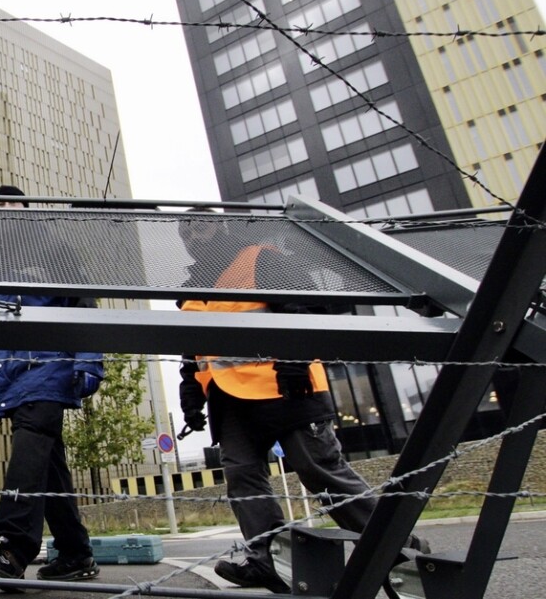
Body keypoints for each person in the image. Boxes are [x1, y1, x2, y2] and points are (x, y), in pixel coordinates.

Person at [175, 209, 425, 594]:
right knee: (242, 477)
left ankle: (399, 548)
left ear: (222, 225)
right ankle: (266, 560)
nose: (193, 236)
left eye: (200, 226)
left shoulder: (262, 259)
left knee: (319, 470)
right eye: (185, 232)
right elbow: (192, 353)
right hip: (229, 400)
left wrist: (295, 360)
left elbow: (305, 311)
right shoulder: (190, 290)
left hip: (287, 388)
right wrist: (191, 395)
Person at [0, 185, 104, 584]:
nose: (6, 208)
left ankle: (12, 548)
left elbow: (82, 302)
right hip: (8, 376)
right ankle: (75, 553)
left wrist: (88, 359)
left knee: (30, 448)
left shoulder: (54, 249)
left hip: (48, 369)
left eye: (13, 202)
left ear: (26, 208)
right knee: (47, 464)